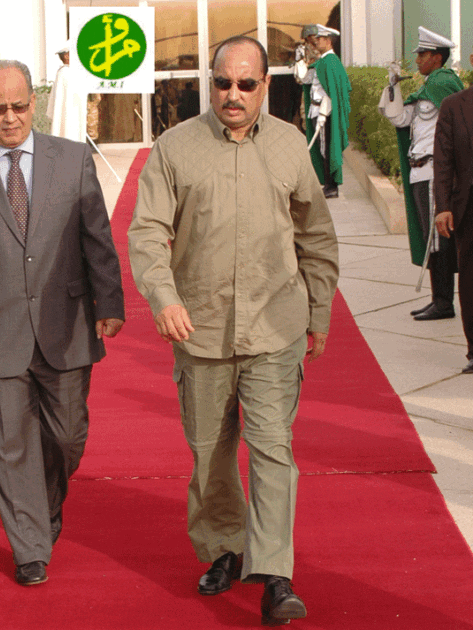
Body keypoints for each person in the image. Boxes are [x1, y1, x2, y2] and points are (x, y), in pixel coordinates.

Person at [128, 36, 338, 625]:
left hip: (276, 327)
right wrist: (164, 297)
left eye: (246, 84)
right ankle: (224, 548)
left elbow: (316, 235)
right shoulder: (175, 148)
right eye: (223, 83)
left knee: (273, 449)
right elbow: (147, 233)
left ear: (265, 85)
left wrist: (318, 311)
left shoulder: (290, 145)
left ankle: (274, 573)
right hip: (201, 330)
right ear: (210, 83)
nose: (233, 94)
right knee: (210, 455)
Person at [0, 60, 125, 586]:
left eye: (19, 106)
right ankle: (30, 546)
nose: (11, 118)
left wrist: (109, 302)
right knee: (7, 442)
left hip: (67, 323)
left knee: (67, 436)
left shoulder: (73, 159)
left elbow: (97, 238)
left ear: (33, 104)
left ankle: (43, 506)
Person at [380, 27, 463, 321]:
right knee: (430, 238)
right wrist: (392, 87)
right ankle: (438, 299)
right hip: (420, 172)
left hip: (433, 173)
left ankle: (443, 303)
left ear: (437, 57)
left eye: (422, 55)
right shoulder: (428, 88)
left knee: (437, 240)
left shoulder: (444, 83)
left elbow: (458, 129)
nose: (417, 60)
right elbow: (400, 118)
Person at [434, 49, 473, 373]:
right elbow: (443, 161)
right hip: (468, 209)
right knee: (471, 281)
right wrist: (443, 207)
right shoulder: (454, 106)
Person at [302, 24, 351, 198]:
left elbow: (333, 93)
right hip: (316, 111)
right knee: (321, 147)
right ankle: (327, 183)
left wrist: (324, 113)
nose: (316, 41)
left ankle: (331, 186)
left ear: (328, 41)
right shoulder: (322, 62)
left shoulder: (330, 63)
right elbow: (308, 82)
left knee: (326, 149)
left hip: (324, 113)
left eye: (320, 39)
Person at [46, 41, 87, 142]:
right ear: (67, 56)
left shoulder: (74, 72)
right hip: (67, 117)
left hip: (76, 116)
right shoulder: (64, 73)